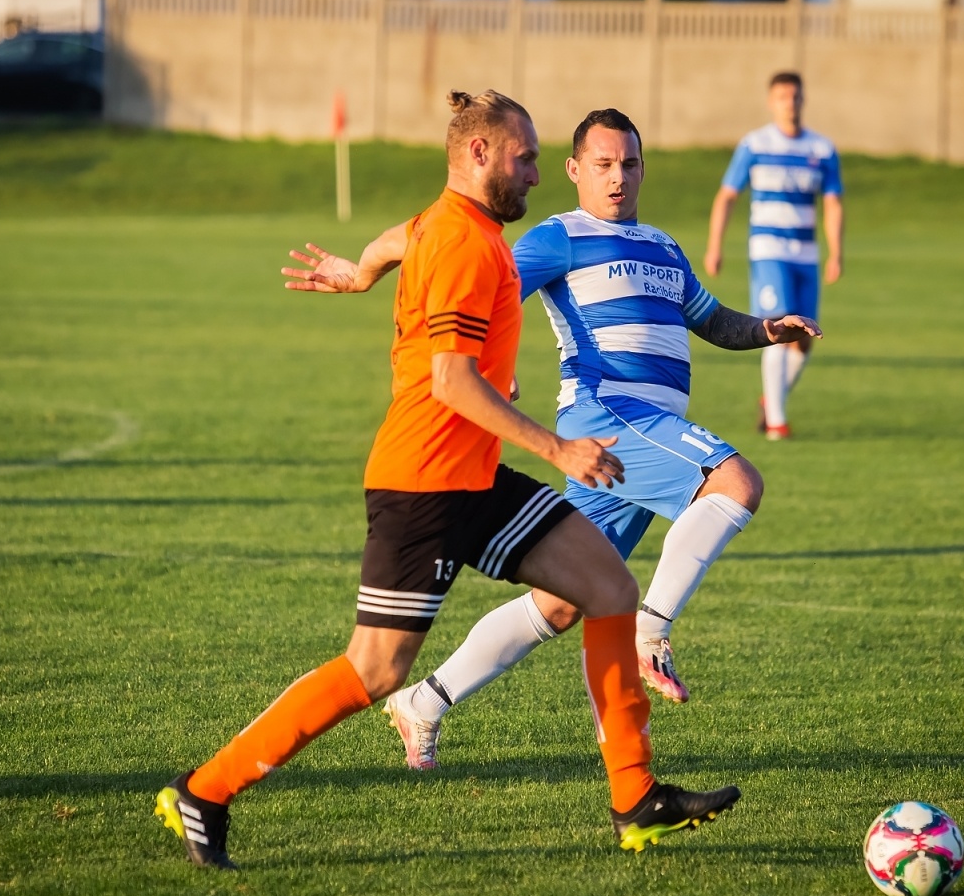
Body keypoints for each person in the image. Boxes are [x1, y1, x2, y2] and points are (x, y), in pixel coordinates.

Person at [156, 90, 739, 868]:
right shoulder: (465, 243)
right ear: (478, 154)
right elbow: (451, 382)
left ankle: (635, 798)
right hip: (424, 484)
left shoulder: (448, 223)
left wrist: (360, 270)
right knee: (374, 670)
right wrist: (558, 450)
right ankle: (204, 791)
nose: (536, 174)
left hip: (474, 477)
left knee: (607, 587)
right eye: (525, 158)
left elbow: (397, 239)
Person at [288, 108, 819, 771]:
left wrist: (767, 329)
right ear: (574, 170)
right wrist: (382, 282)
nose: (617, 177)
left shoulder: (663, 246)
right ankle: (651, 631)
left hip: (634, 442)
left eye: (629, 164)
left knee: (564, 602)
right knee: (735, 483)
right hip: (609, 417)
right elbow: (475, 274)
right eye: (603, 164)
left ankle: (424, 701)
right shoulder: (561, 236)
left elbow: (711, 321)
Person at [704, 72, 844, 440]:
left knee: (805, 337)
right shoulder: (755, 144)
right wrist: (715, 245)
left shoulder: (821, 149)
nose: (789, 103)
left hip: (806, 254)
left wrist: (836, 252)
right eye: (782, 97)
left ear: (803, 100)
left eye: (795, 96)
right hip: (769, 251)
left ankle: (771, 400)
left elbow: (833, 202)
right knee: (777, 326)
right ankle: (777, 424)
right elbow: (727, 196)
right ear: (771, 102)